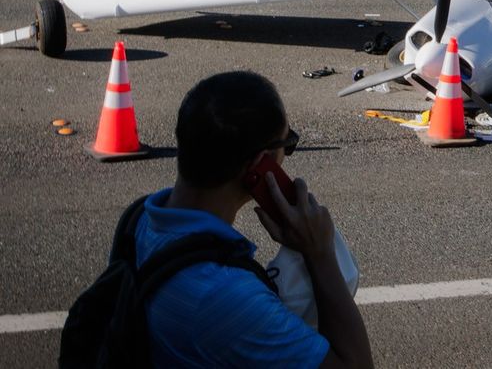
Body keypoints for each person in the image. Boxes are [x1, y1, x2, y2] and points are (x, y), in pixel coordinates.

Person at [136, 71, 372, 368]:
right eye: (289, 143)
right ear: (261, 166)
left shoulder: (140, 220)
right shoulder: (224, 297)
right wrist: (320, 253)